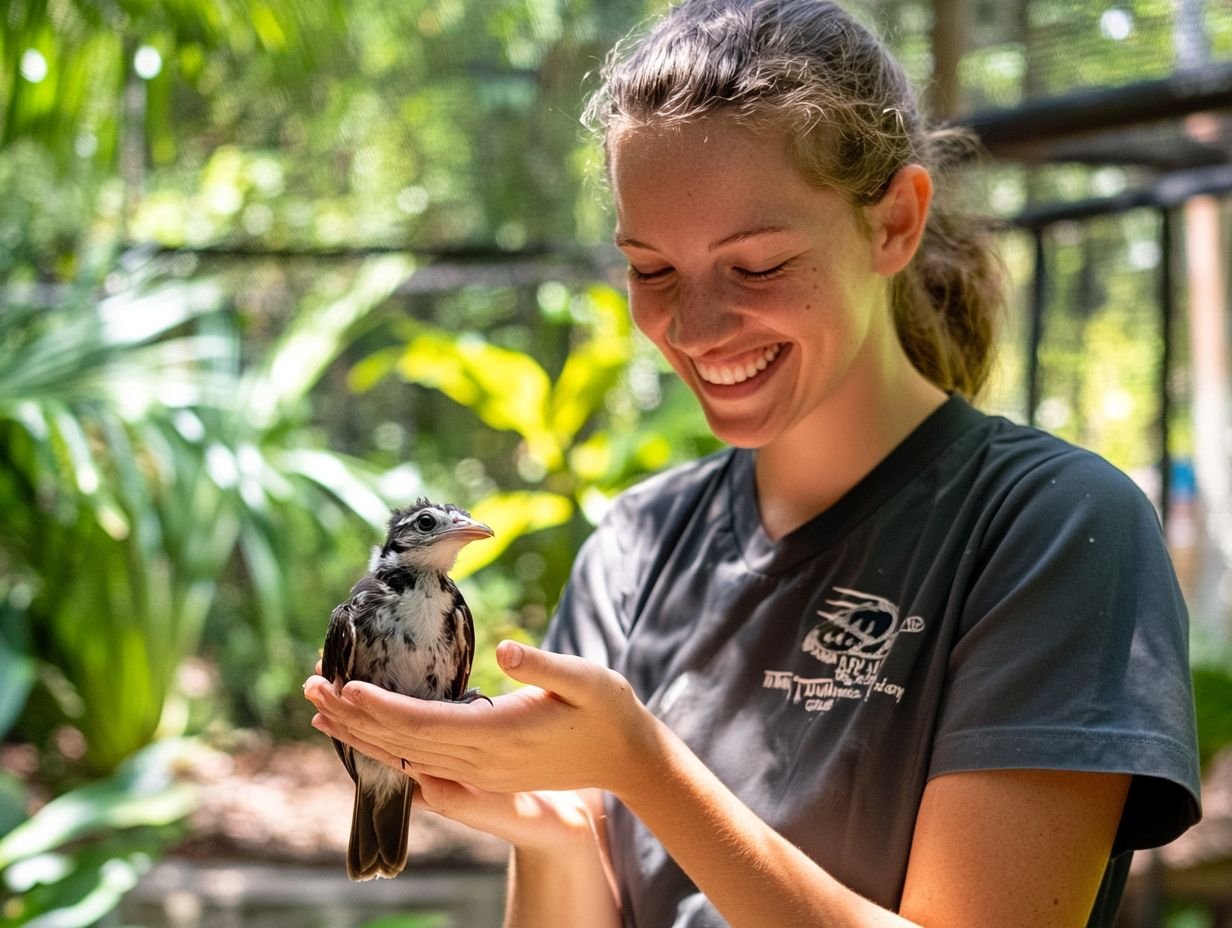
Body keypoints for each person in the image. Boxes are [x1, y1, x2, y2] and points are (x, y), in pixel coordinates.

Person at [303, 1, 1202, 924]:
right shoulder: (635, 547)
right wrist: (555, 829)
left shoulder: (1052, 528)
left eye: (759, 265)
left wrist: (641, 768)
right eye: (651, 270)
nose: (691, 328)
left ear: (895, 223)